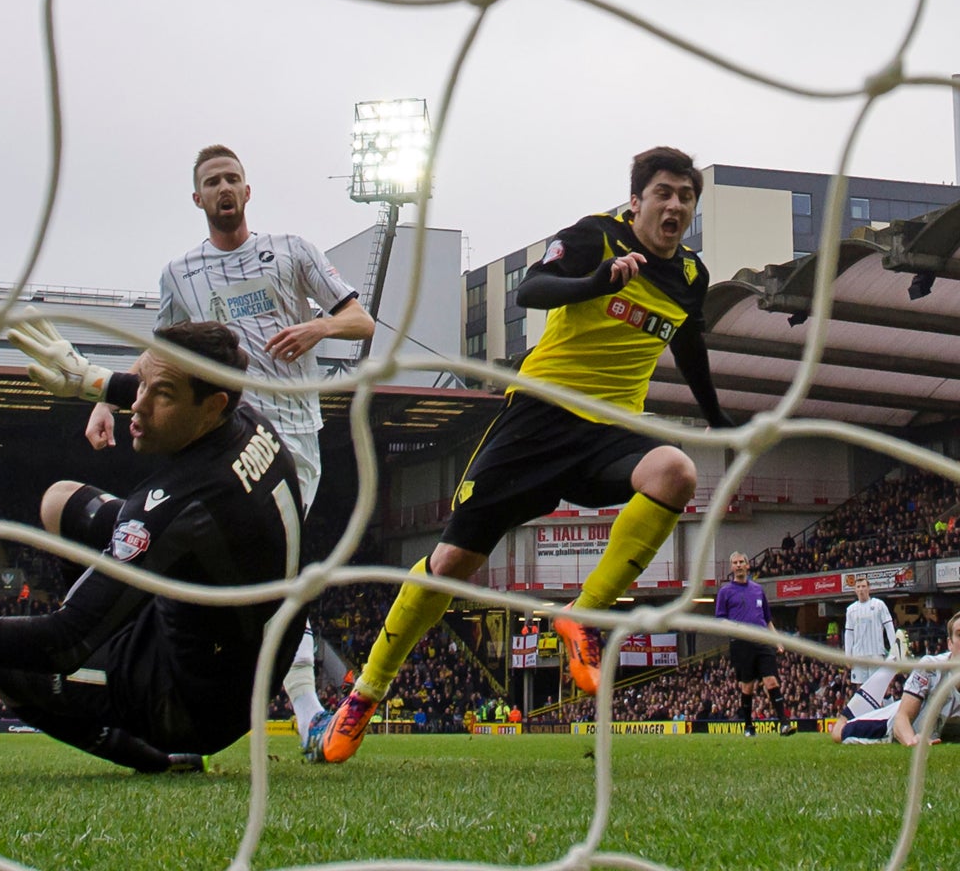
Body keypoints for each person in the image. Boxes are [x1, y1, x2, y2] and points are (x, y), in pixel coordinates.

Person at [311, 147, 730, 763]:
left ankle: (583, 617)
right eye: (662, 193)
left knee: (677, 471)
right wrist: (595, 282)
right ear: (635, 201)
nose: (675, 205)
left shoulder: (692, 277)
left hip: (610, 429)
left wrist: (719, 419)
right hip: (537, 419)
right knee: (451, 562)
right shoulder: (596, 238)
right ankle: (364, 695)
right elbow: (532, 290)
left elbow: (689, 342)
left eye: (685, 196)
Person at [0, 320, 304, 774]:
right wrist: (89, 379)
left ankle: (162, 756)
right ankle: (116, 614)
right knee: (59, 501)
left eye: (163, 395)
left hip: (195, 701)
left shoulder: (174, 506)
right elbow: (159, 392)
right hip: (242, 646)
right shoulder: (248, 420)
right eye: (143, 384)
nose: (136, 405)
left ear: (213, 405)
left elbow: (63, 643)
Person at [81, 145, 372, 744]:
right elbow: (158, 358)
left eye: (233, 179)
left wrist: (316, 325)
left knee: (267, 571)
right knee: (222, 567)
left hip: (289, 439)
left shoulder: (292, 251)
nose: (224, 188)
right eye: (213, 181)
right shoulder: (179, 273)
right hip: (219, 434)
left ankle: (300, 710)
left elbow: (361, 321)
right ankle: (282, 708)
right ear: (198, 198)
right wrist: (107, 399)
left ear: (247, 191)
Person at [830, 610, 960, 745]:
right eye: (959, 634)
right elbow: (902, 718)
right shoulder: (931, 668)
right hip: (893, 723)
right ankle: (891, 664)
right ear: (950, 643)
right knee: (839, 731)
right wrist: (911, 740)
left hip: (917, 707)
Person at [716, 552, 788, 736]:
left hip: (762, 640)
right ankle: (748, 726)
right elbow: (720, 620)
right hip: (741, 643)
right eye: (735, 562)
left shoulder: (757, 589)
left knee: (771, 681)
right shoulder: (725, 591)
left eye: (741, 562)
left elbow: (767, 619)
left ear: (748, 565)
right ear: (732, 567)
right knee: (747, 686)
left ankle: (784, 723)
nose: (739, 565)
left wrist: (777, 639)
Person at [842, 573, 904, 718]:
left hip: (876, 653)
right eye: (858, 587)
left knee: (883, 687)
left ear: (869, 588)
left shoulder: (878, 605)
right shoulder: (851, 609)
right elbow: (848, 633)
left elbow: (889, 627)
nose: (861, 589)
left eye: (864, 586)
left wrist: (895, 649)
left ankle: (892, 717)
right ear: (855, 590)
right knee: (861, 690)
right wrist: (848, 655)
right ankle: (864, 719)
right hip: (859, 656)